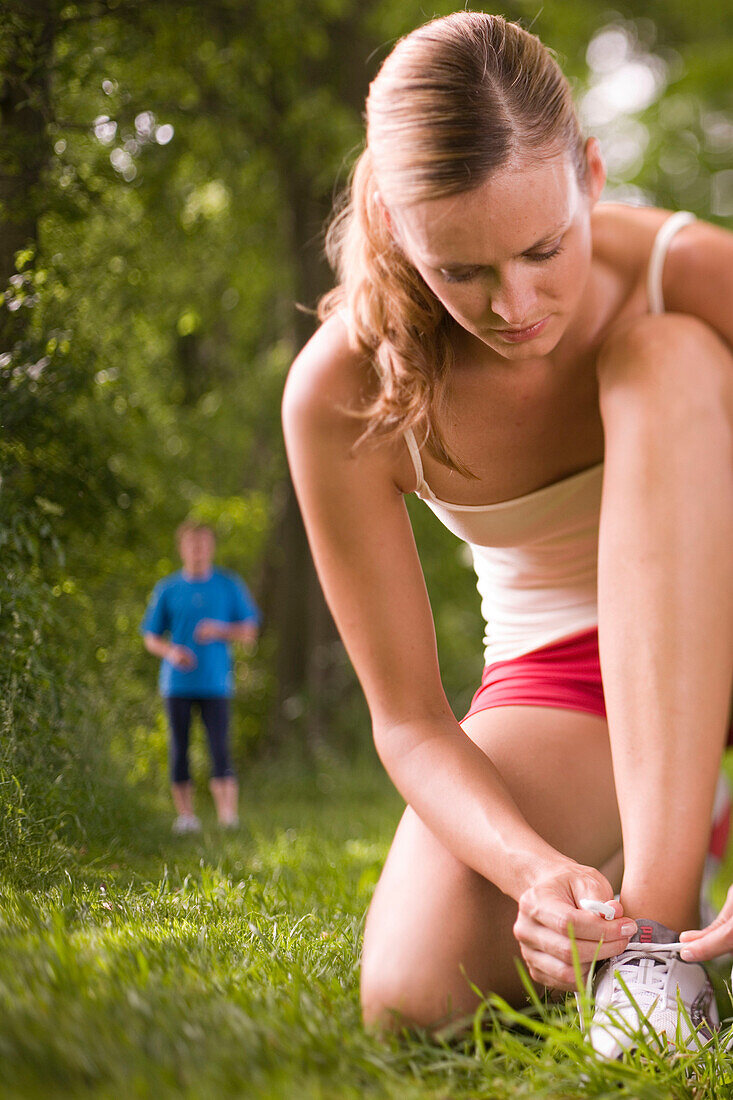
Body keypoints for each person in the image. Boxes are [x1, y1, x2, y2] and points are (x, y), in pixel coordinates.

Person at [281, 11, 733, 1059]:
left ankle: (654, 944)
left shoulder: (684, 264)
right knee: (410, 992)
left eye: (543, 248)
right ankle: (658, 840)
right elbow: (408, 721)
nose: (517, 303)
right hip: (574, 671)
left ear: (588, 171)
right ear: (394, 224)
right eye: (463, 270)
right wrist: (534, 874)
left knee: (663, 356)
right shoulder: (338, 394)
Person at [141, 521, 261, 834]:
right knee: (179, 748)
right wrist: (171, 652)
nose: (198, 550)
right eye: (192, 544)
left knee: (220, 747)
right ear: (182, 548)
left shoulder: (228, 584)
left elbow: (250, 630)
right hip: (177, 684)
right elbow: (150, 637)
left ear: (211, 548)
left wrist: (218, 629)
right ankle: (186, 818)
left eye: (204, 544)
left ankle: (227, 817)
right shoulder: (167, 588)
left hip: (216, 682)